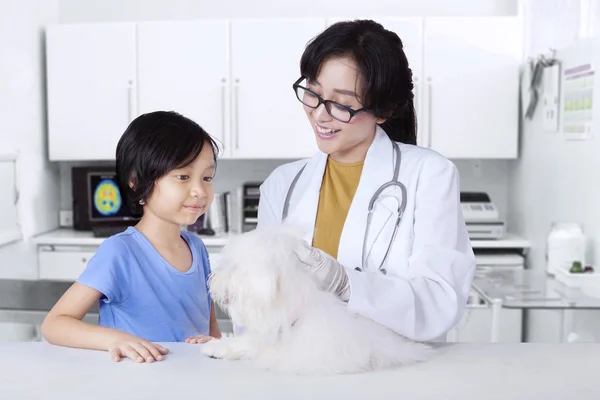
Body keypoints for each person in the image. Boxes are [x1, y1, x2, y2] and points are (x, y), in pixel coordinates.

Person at [257, 19, 476, 342]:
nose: (319, 114)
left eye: (342, 104)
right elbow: (263, 297)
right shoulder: (282, 184)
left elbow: (438, 300)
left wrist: (347, 284)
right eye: (313, 93)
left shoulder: (429, 175)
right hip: (301, 368)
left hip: (398, 373)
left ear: (383, 109)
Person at [41, 111, 222, 362]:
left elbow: (211, 325)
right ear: (136, 180)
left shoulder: (197, 247)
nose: (200, 190)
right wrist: (115, 339)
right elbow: (55, 324)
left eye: (207, 178)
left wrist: (213, 344)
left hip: (191, 381)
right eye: (183, 176)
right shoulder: (120, 251)